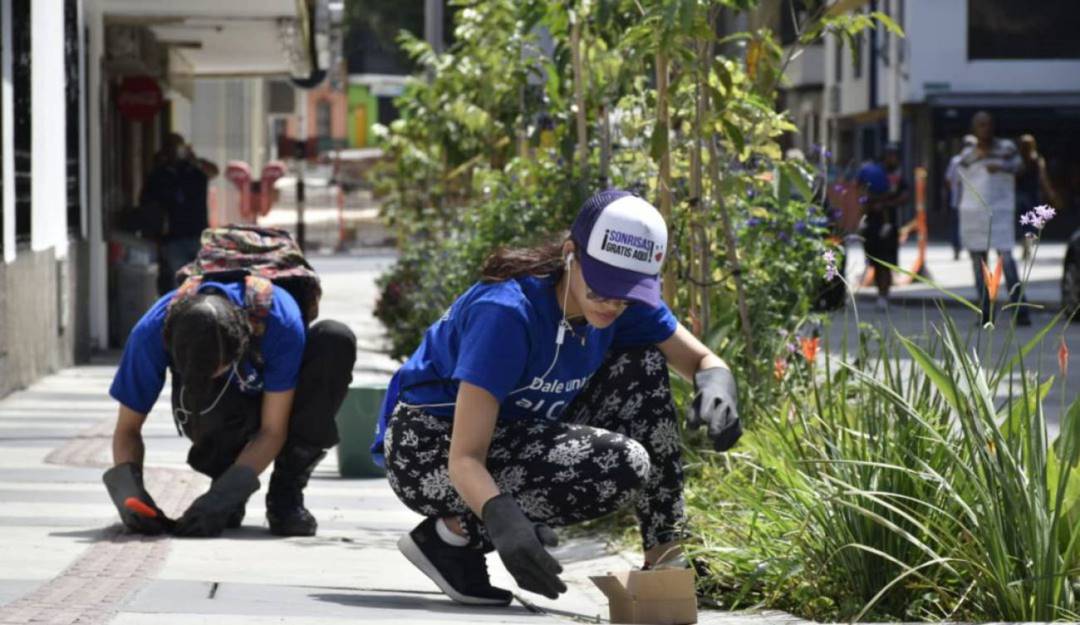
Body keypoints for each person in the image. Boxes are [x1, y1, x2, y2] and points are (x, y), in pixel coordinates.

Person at [374, 190, 741, 606]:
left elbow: (701, 359)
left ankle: (666, 560)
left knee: (642, 365)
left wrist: (717, 382)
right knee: (622, 465)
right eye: (603, 289)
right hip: (429, 447)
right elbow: (465, 458)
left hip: (517, 430)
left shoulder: (624, 303)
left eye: (625, 295)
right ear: (571, 254)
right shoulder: (507, 314)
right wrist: (501, 518)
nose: (612, 305)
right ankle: (451, 536)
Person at [103, 267, 357, 537]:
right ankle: (224, 470)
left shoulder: (279, 320)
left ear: (240, 346)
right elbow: (127, 429)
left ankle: (286, 494)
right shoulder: (151, 332)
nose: (208, 376)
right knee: (206, 393)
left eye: (216, 370)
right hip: (218, 414)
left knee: (335, 339)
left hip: (275, 398)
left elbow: (273, 430)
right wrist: (129, 492)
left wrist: (224, 496)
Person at [957, 111, 1029, 326]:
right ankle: (986, 311)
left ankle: (1020, 310)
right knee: (979, 265)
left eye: (987, 124)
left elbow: (1020, 167)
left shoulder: (1005, 148)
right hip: (975, 215)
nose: (984, 129)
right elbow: (959, 172)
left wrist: (1001, 167)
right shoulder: (969, 153)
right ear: (974, 128)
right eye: (980, 125)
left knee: (1006, 261)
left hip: (999, 213)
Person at [142, 133, 220, 294]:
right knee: (179, 282)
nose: (175, 152)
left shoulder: (194, 170)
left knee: (203, 279)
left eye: (178, 148)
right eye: (171, 147)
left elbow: (214, 171)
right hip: (173, 238)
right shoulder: (160, 175)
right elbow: (147, 203)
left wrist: (194, 159)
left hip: (197, 234)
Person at [856, 159, 896, 311]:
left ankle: (883, 295)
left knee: (882, 264)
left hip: (879, 230)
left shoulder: (874, 200)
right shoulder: (875, 200)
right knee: (880, 264)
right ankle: (883, 295)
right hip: (877, 229)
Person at [1016, 134, 1059, 260]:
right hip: (1032, 194)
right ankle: (1028, 243)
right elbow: (1043, 178)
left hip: (1021, 194)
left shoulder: (1018, 160)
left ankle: (1026, 243)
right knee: (1032, 222)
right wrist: (1050, 192)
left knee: (1024, 221)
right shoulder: (1037, 159)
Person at [943, 135, 977, 261]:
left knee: (962, 226)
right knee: (963, 225)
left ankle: (964, 249)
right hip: (964, 200)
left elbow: (948, 179)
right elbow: (948, 179)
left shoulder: (958, 161)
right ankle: (962, 249)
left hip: (965, 200)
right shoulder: (958, 161)